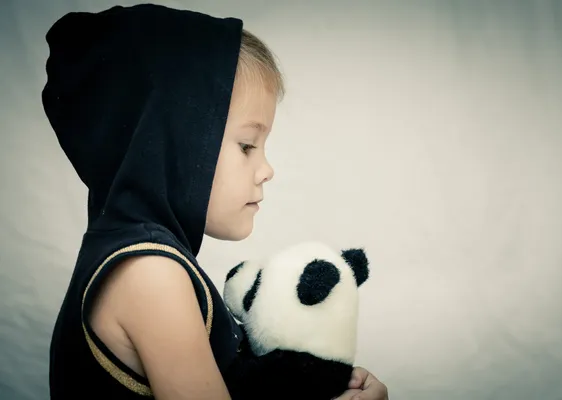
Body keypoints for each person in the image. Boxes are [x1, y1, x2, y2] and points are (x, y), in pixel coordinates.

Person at [42, 3, 388, 400]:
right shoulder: (150, 274)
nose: (266, 169)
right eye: (247, 145)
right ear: (172, 146)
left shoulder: (137, 254)